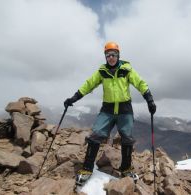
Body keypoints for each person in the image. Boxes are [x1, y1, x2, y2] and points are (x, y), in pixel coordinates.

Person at [64, 41, 156, 185]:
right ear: (105, 57)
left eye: (113, 55)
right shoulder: (102, 72)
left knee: (127, 138)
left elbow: (140, 83)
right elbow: (89, 84)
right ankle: (87, 169)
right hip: (107, 110)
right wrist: (74, 98)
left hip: (125, 110)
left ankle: (126, 169)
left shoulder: (127, 70)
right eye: (108, 55)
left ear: (118, 55)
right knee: (95, 135)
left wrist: (149, 99)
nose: (111, 57)